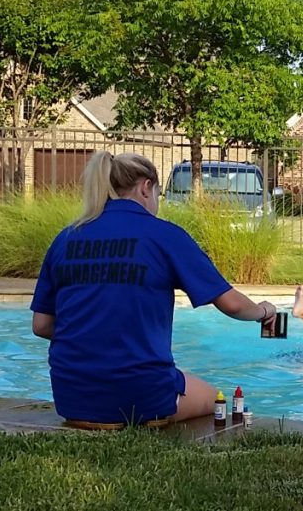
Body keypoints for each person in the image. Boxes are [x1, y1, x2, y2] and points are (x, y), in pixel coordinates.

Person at [30, 151, 278, 426]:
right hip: (141, 394)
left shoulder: (66, 238)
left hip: (73, 399)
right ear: (146, 187)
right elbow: (232, 304)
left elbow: (41, 325)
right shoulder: (164, 234)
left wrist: (96, 333)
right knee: (215, 397)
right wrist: (264, 311)